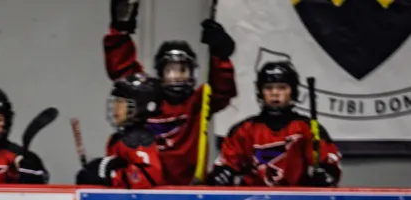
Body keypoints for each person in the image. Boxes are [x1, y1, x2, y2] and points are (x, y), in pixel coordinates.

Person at [104, 0, 237, 184]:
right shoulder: (147, 97)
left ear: (193, 73)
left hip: (191, 190)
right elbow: (123, 71)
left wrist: (221, 56)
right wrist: (120, 31)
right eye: (170, 70)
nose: (176, 76)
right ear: (159, 72)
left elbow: (223, 90)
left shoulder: (199, 102)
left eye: (182, 70)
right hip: (148, 185)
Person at [209, 61, 342, 187]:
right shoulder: (244, 130)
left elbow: (330, 162)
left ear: (293, 92)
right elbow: (226, 164)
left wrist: (326, 173)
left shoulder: (306, 128)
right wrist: (223, 173)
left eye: (282, 88)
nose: (275, 93)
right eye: (268, 88)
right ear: (260, 92)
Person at [76, 73, 164, 188]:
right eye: (116, 101)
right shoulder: (119, 137)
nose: (115, 107)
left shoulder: (138, 139)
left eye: (121, 102)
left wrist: (112, 177)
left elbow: (149, 176)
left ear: (141, 107)